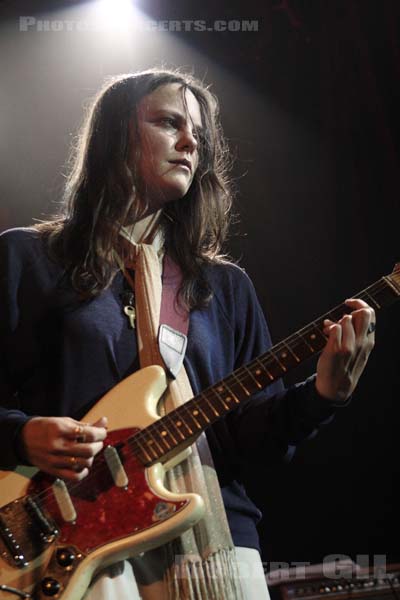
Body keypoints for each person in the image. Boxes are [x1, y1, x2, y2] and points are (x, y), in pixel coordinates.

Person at [0, 69, 375, 600]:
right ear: (115, 135)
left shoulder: (225, 287)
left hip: (217, 544)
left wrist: (322, 398)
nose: (189, 143)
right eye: (168, 123)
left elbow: (250, 443)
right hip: (72, 539)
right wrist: (20, 434)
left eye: (197, 134)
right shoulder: (27, 260)